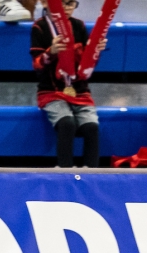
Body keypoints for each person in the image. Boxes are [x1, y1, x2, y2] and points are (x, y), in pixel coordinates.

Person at [32, 0, 105, 167]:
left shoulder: (79, 25)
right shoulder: (39, 27)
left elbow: (87, 65)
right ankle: (64, 170)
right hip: (51, 91)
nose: (67, 8)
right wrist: (51, 52)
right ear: (45, 3)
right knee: (67, 123)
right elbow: (37, 65)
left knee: (91, 127)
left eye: (72, 3)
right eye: (62, 3)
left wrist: (95, 50)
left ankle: (91, 172)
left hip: (79, 91)